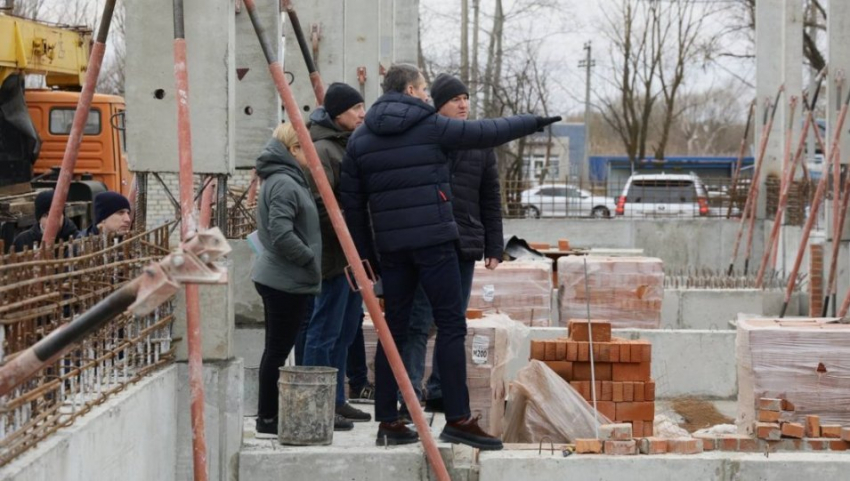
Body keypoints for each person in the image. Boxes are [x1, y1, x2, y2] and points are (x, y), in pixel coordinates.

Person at [340, 63, 560, 449]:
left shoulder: (360, 139)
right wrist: (534, 121)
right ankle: (458, 418)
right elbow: (488, 131)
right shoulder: (430, 126)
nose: (427, 95)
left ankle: (388, 421)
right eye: (424, 88)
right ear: (411, 90)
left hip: (392, 249)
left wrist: (366, 258)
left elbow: (353, 208)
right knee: (451, 325)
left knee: (395, 329)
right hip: (435, 243)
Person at [401, 74, 504, 416]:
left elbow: (490, 197)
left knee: (453, 322)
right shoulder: (424, 137)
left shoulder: (479, 141)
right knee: (419, 320)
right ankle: (409, 392)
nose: (463, 105)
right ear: (439, 105)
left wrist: (494, 246)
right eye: (455, 99)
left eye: (466, 98)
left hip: (464, 244)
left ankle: (440, 389)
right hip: (427, 243)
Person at [301, 82, 371, 428]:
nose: (362, 114)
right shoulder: (322, 149)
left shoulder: (346, 144)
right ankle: (316, 404)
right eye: (356, 108)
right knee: (324, 329)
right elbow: (321, 205)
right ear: (338, 113)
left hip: (352, 255)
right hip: (333, 256)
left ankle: (337, 399)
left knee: (345, 329)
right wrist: (349, 232)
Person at [251, 122, 323, 437]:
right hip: (284, 279)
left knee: (276, 349)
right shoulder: (284, 182)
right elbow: (281, 233)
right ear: (293, 149)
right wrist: (308, 258)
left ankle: (270, 415)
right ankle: (268, 418)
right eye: (306, 148)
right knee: (277, 351)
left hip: (285, 277)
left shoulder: (286, 178)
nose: (312, 154)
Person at [13, 189, 79, 252]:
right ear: (39, 219)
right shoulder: (23, 241)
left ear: (63, 215)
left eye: (56, 214)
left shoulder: (76, 239)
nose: (51, 220)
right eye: (45, 215)